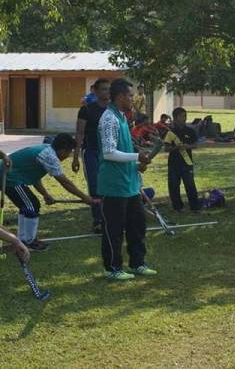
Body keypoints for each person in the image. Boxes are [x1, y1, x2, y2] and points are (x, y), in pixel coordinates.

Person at [98, 78, 155, 280]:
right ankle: (112, 268)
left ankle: (138, 263)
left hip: (129, 183)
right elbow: (109, 153)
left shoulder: (122, 117)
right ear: (121, 96)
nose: (133, 98)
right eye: (130, 95)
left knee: (137, 225)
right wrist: (135, 157)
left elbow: (124, 149)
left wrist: (137, 163)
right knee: (114, 230)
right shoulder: (108, 118)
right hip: (114, 185)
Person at [0, 134, 98, 251]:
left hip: (12, 176)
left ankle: (23, 240)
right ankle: (29, 242)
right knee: (31, 205)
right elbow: (65, 182)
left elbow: (34, 177)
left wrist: (45, 194)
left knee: (28, 205)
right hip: (8, 176)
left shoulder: (46, 150)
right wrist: (85, 197)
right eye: (69, 152)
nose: (68, 156)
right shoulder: (49, 156)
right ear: (63, 149)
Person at [73, 78, 110, 233]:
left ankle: (109, 217)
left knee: (109, 185)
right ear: (95, 90)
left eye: (109, 89)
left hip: (108, 153)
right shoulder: (86, 110)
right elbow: (80, 133)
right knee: (95, 186)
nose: (106, 92)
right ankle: (98, 220)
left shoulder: (113, 110)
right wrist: (75, 157)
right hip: (91, 153)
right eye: (103, 89)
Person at [163, 107, 202, 212]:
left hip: (187, 162)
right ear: (175, 118)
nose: (184, 118)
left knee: (190, 185)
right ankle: (177, 207)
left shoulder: (190, 131)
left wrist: (187, 146)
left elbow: (195, 145)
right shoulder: (170, 133)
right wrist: (176, 147)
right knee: (174, 186)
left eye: (185, 116)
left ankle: (194, 207)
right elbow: (166, 148)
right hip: (174, 163)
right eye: (181, 116)